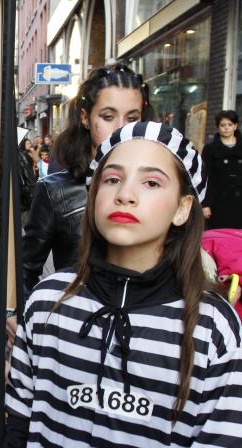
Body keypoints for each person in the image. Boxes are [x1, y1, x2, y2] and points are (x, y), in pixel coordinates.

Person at [0, 122, 242, 448]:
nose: (126, 193)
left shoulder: (212, 327)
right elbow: (23, 414)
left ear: (182, 208)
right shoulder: (49, 302)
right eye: (112, 178)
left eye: (152, 183)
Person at [23, 64, 152, 294]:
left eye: (132, 118)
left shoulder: (158, 188)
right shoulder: (56, 191)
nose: (122, 128)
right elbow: (26, 268)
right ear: (85, 117)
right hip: (76, 322)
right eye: (108, 116)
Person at [201, 110, 242, 229]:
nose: (226, 128)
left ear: (235, 126)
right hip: (218, 203)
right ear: (218, 127)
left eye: (230, 125)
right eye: (223, 125)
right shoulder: (210, 149)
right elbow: (204, 177)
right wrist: (205, 204)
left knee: (241, 239)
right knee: (220, 239)